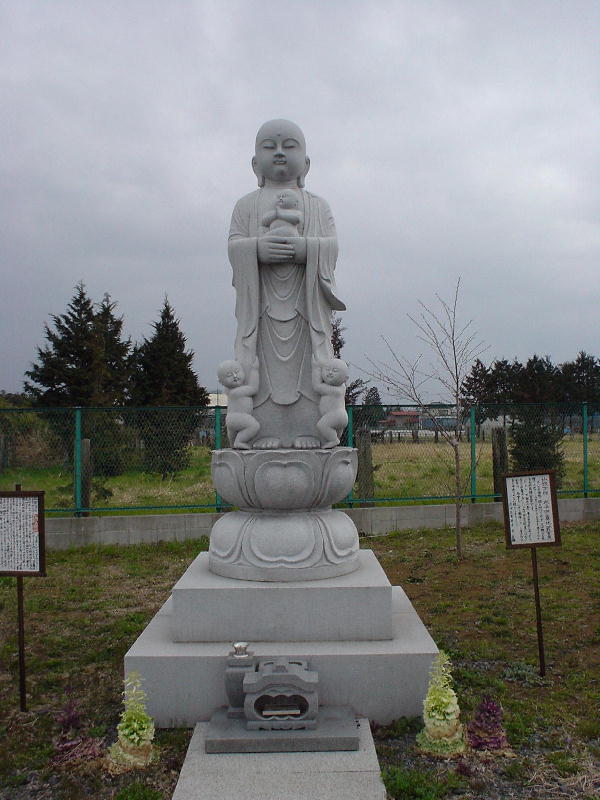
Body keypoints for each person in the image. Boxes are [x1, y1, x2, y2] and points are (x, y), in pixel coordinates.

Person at [228, 119, 345, 449]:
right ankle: (265, 433)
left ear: (306, 164)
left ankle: (308, 431)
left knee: (311, 372)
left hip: (306, 311)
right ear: (255, 164)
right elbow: (234, 246)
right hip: (261, 312)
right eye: (270, 147)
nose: (279, 153)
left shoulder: (318, 206)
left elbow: (332, 247)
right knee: (260, 371)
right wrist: (256, 250)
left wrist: (306, 249)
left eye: (288, 146)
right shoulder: (246, 206)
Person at [217, 358, 260, 449]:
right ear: (221, 382)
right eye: (229, 375)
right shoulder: (237, 392)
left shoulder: (228, 391)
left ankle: (233, 443)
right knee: (254, 426)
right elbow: (254, 388)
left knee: (232, 442)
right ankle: (239, 441)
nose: (235, 376)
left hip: (230, 419)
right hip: (238, 417)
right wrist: (254, 370)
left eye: (237, 371)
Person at [312, 357, 349, 448]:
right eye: (327, 369)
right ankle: (335, 439)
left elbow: (316, 386)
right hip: (341, 416)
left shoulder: (334, 391)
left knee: (322, 425)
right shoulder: (342, 387)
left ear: (344, 378)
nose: (330, 373)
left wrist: (316, 368)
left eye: (335, 371)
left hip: (336, 415)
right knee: (335, 431)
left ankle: (333, 440)